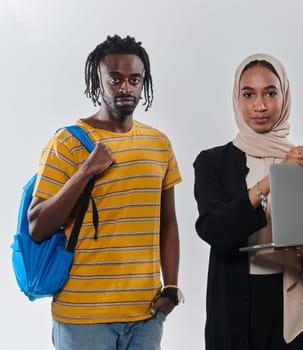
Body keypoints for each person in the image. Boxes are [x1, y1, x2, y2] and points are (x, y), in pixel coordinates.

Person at [27, 35, 183, 350]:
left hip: (145, 317)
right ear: (98, 83)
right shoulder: (68, 143)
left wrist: (171, 287)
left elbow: (168, 223)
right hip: (83, 319)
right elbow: (37, 226)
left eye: (134, 79)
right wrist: (86, 170)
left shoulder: (159, 144)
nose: (125, 87)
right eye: (115, 78)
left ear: (143, 84)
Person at [193, 53, 303, 350]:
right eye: (249, 94)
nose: (259, 105)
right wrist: (272, 179)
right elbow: (215, 232)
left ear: (284, 97)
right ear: (237, 98)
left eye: (270, 93)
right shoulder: (212, 163)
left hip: (298, 324)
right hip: (235, 317)